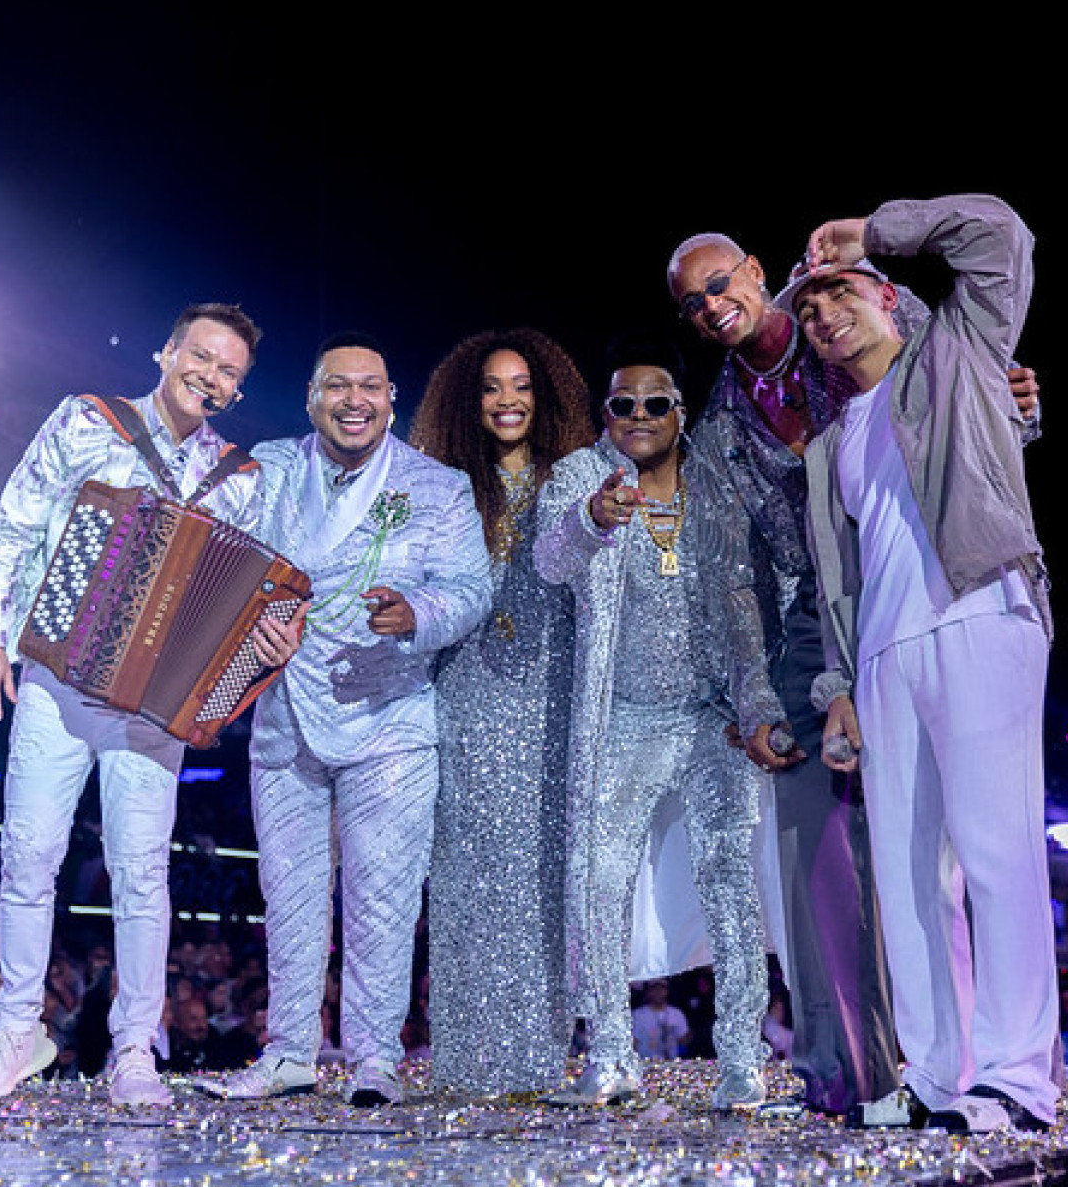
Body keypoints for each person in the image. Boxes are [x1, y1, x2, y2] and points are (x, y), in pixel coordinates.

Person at [667, 233, 1041, 1120]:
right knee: (842, 858)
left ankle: (1014, 1073)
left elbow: (975, 391)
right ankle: (872, 1076)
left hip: (951, 584)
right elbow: (735, 570)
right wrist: (774, 692)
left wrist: (1016, 406)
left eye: (722, 283)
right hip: (835, 620)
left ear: (757, 271)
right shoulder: (720, 425)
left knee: (980, 849)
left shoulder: (859, 312)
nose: (714, 305)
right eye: (693, 302)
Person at [0, 301, 301, 1108]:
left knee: (142, 875)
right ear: (166, 351)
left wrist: (267, 646)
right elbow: (15, 524)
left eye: (230, 376)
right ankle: (15, 1036)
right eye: (204, 359)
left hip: (153, 706)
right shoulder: (86, 420)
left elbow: (251, 602)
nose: (212, 379)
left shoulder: (239, 481)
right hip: (56, 677)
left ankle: (136, 1050)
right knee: (29, 855)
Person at [790, 193, 1060, 1134]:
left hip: (982, 611)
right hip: (885, 658)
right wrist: (842, 694)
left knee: (997, 852)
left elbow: (1000, 235)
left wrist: (875, 229)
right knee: (907, 879)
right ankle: (942, 1076)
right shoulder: (831, 448)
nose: (824, 313)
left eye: (839, 291)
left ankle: (1021, 1077)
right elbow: (842, 586)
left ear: (888, 294)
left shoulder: (962, 351)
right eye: (810, 307)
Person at [205, 333, 492, 1108]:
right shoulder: (269, 468)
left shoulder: (437, 486)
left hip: (391, 714)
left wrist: (417, 613)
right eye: (337, 386)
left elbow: (470, 588)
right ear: (311, 398)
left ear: (392, 400)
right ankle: (290, 1051)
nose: (354, 400)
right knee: (289, 895)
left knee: (383, 898)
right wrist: (245, 623)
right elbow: (216, 554)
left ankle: (375, 1058)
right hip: (287, 712)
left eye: (370, 386)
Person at [534, 343, 780, 1111]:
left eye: (655, 403)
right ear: (605, 414)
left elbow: (781, 560)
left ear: (679, 412)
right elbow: (548, 559)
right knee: (597, 882)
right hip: (624, 719)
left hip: (715, 722)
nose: (638, 417)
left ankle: (742, 1060)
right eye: (622, 404)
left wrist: (765, 696)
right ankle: (609, 1055)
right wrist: (592, 520)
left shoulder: (719, 483)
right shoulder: (583, 475)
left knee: (730, 884)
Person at [406, 328, 595, 1097]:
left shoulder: (576, 485)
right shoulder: (445, 490)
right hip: (464, 700)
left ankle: (533, 1063)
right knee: (464, 883)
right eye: (491, 387)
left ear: (543, 397)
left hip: (550, 704)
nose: (507, 400)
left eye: (520, 386)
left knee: (542, 888)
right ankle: (463, 1062)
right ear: (468, 400)